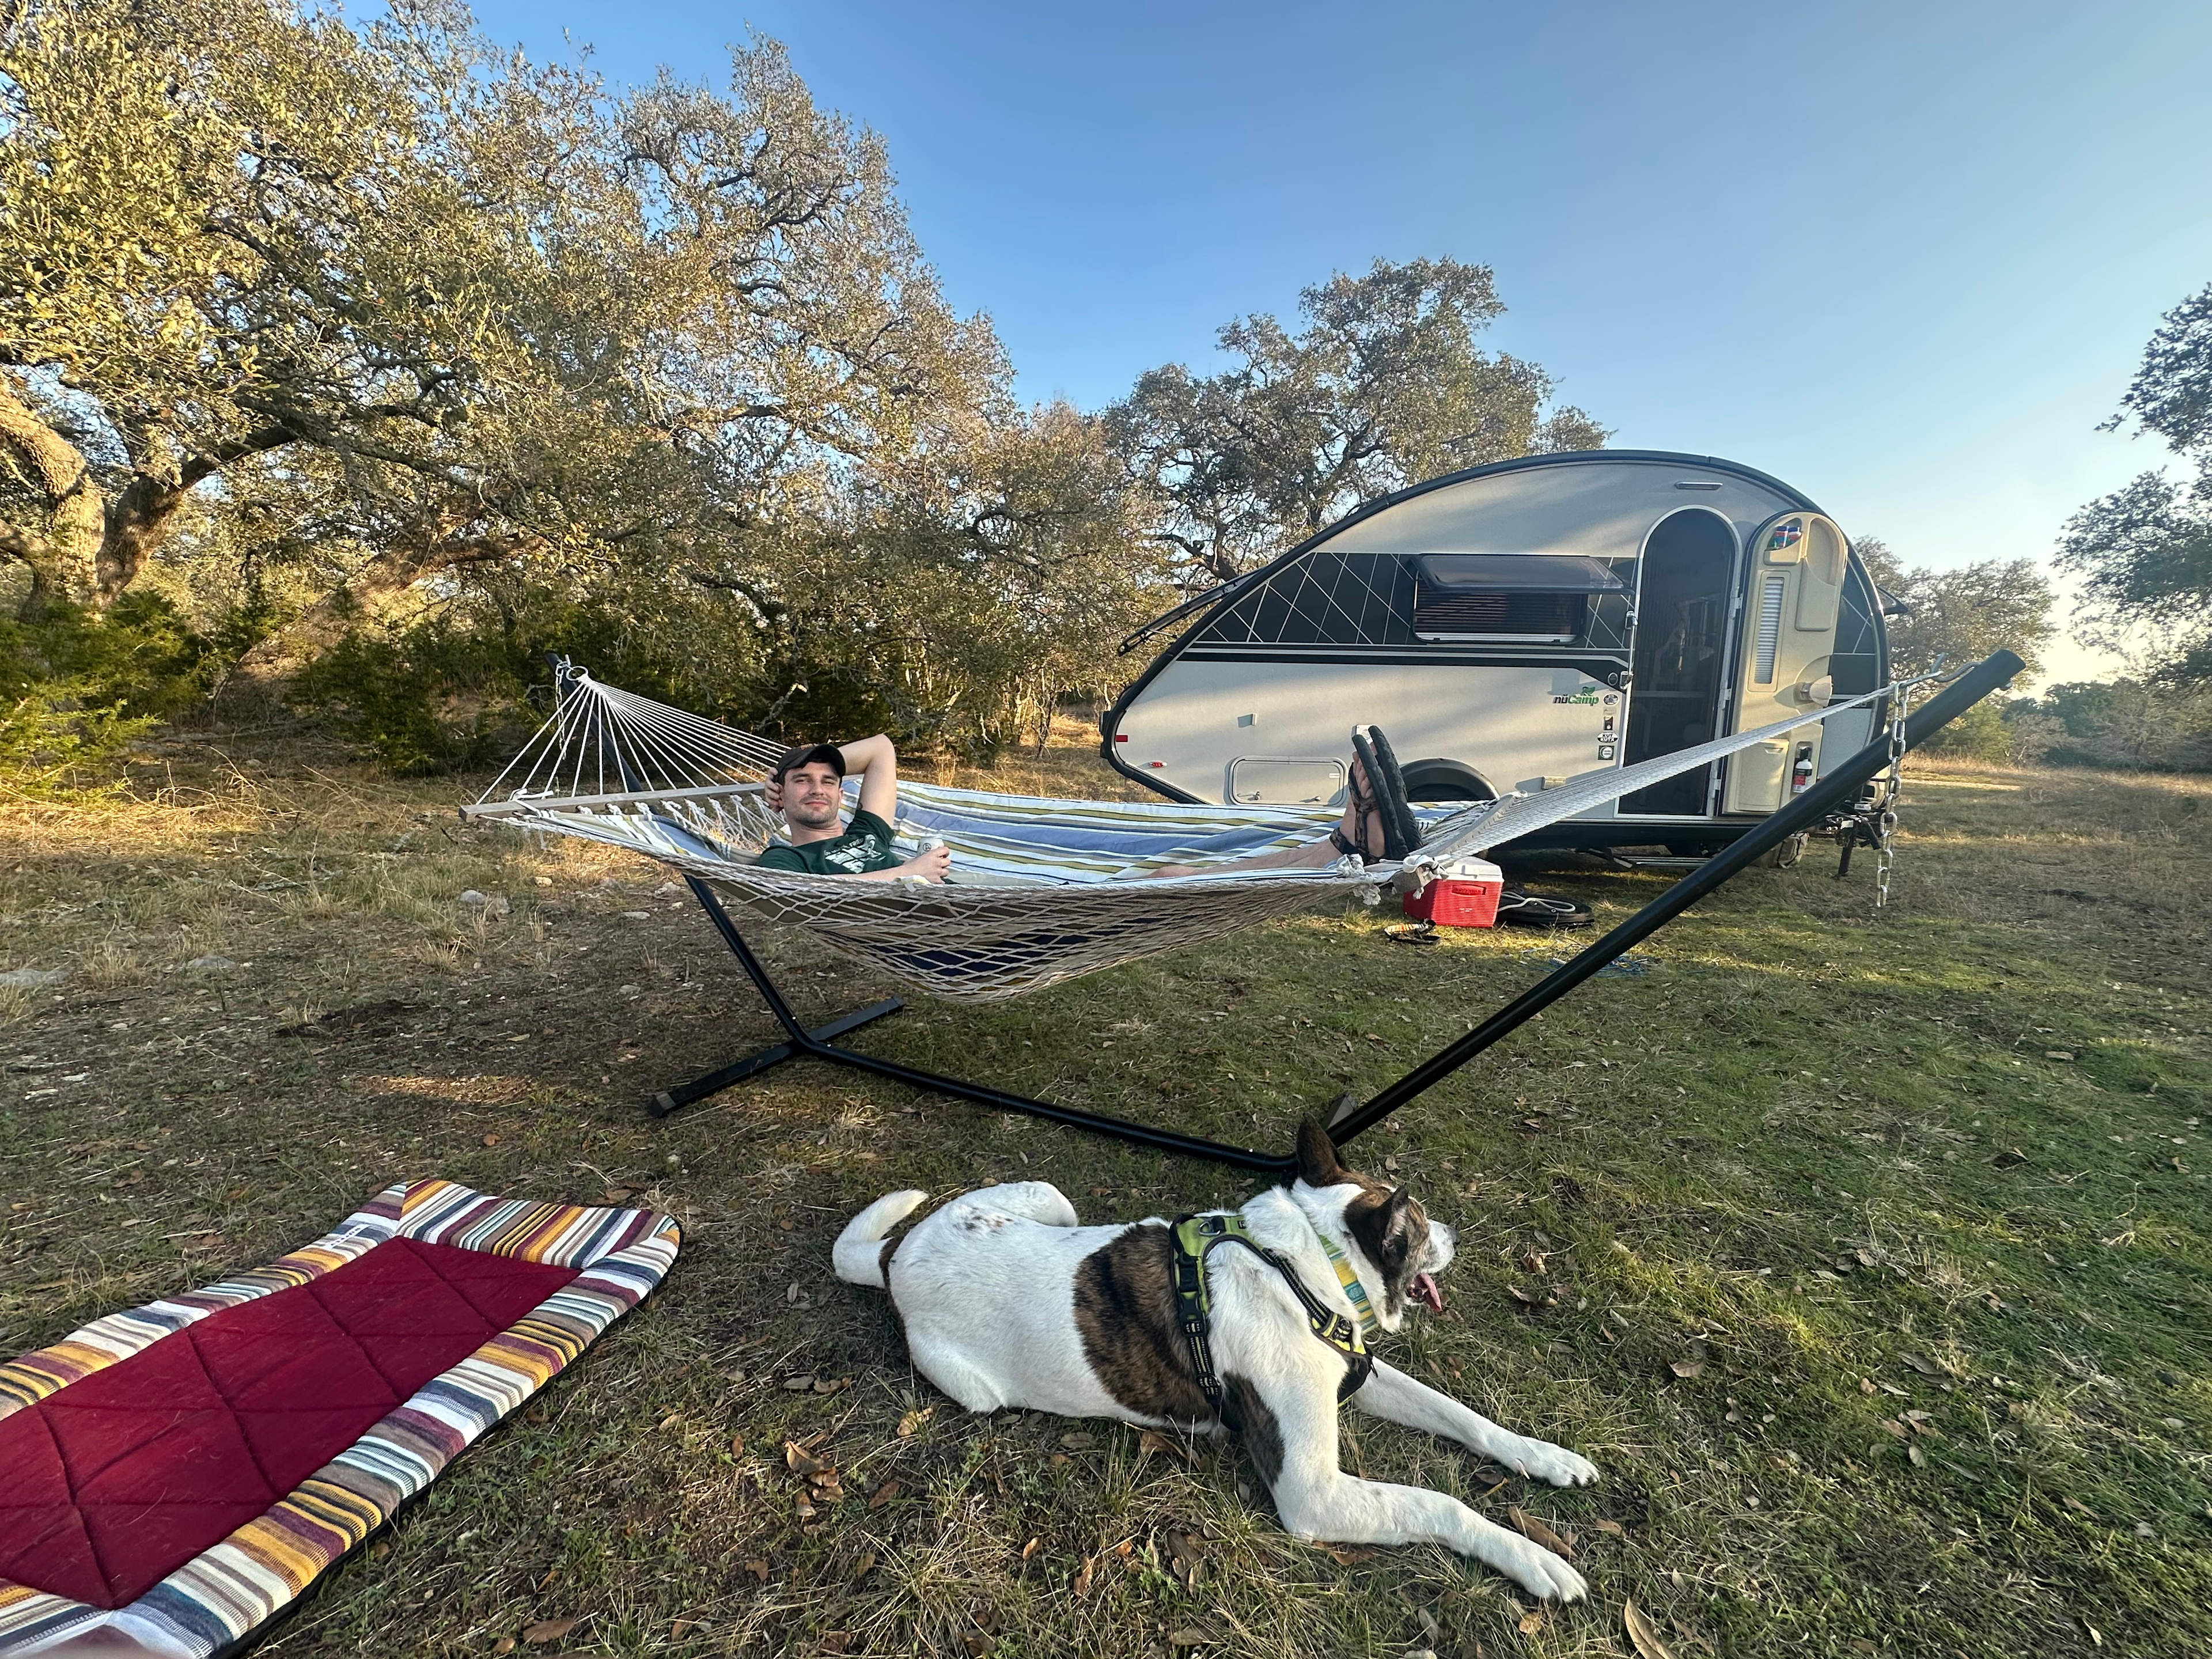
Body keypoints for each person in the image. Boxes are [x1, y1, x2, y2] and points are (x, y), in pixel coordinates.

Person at [757, 725, 1422, 884]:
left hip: (974, 881)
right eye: (802, 784)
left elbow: (882, 749)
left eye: (827, 780)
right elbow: (812, 900)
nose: (818, 790)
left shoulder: (868, 825)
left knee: (1176, 860)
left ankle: (1342, 842)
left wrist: (805, 763)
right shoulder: (786, 856)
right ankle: (1346, 845)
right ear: (781, 798)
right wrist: (906, 874)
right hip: (962, 909)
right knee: (1165, 879)